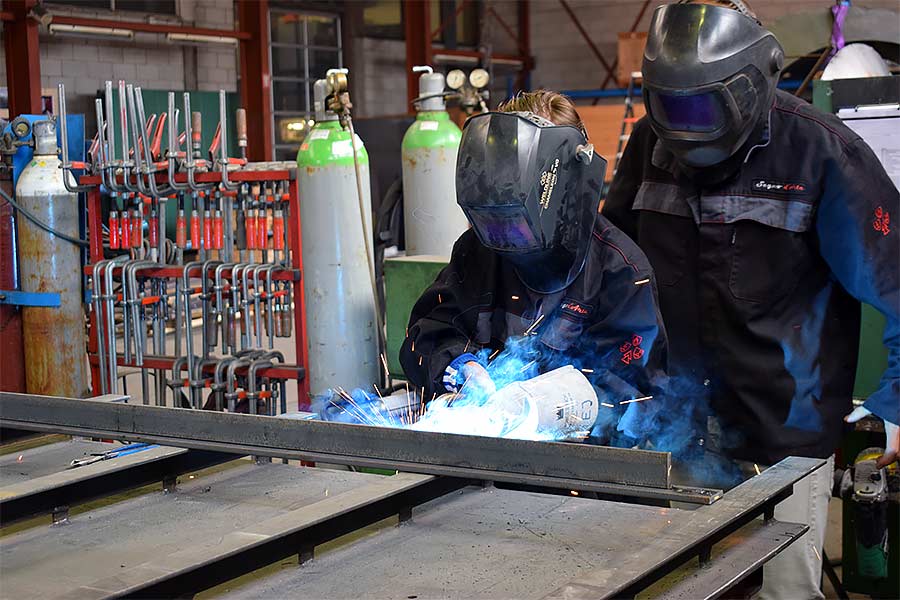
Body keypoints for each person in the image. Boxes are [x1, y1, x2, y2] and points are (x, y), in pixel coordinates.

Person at [603, 1, 899, 598]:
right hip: (675, 429)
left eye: (702, 105)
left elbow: (897, 285)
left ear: (753, 79)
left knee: (782, 592)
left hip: (783, 439)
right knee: (680, 586)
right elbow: (616, 267)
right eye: (670, 105)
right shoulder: (648, 145)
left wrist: (897, 412)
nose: (687, 126)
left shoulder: (822, 155)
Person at [399, 91, 668, 444]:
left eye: (518, 223)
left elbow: (638, 395)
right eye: (494, 224)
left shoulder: (620, 269)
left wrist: (549, 407)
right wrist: (458, 367)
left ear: (564, 190)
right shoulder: (478, 249)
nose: (506, 239)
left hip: (583, 477)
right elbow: (428, 334)